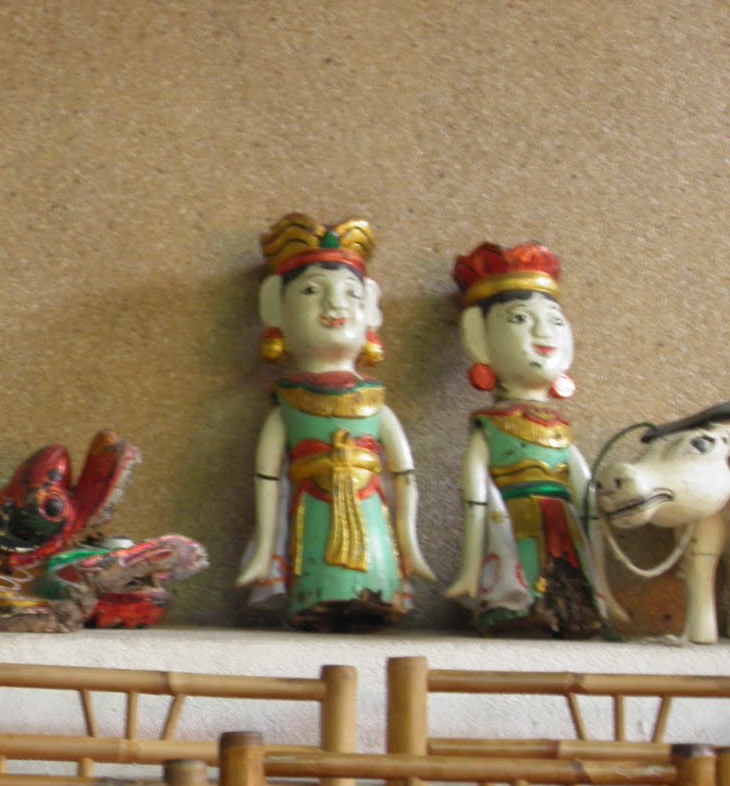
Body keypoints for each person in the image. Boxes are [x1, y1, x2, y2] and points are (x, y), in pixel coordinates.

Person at [236, 214, 433, 629]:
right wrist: (264, 549)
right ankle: (316, 599)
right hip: (312, 500)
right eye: (312, 291)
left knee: (373, 550)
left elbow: (404, 476)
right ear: (276, 307)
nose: (335, 306)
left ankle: (379, 597)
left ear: (371, 308)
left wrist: (409, 542)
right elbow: (266, 480)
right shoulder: (287, 404)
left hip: (368, 504)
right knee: (314, 551)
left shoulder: (375, 404)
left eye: (351, 293)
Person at [444, 242, 616, 636]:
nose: (543, 332)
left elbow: (587, 499)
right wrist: (470, 571)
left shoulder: (559, 428)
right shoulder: (492, 425)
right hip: (512, 520)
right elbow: (475, 495)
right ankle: (512, 608)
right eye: (521, 318)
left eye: (555, 320)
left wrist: (604, 582)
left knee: (567, 574)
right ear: (479, 338)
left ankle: (579, 609)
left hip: (564, 525)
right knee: (520, 578)